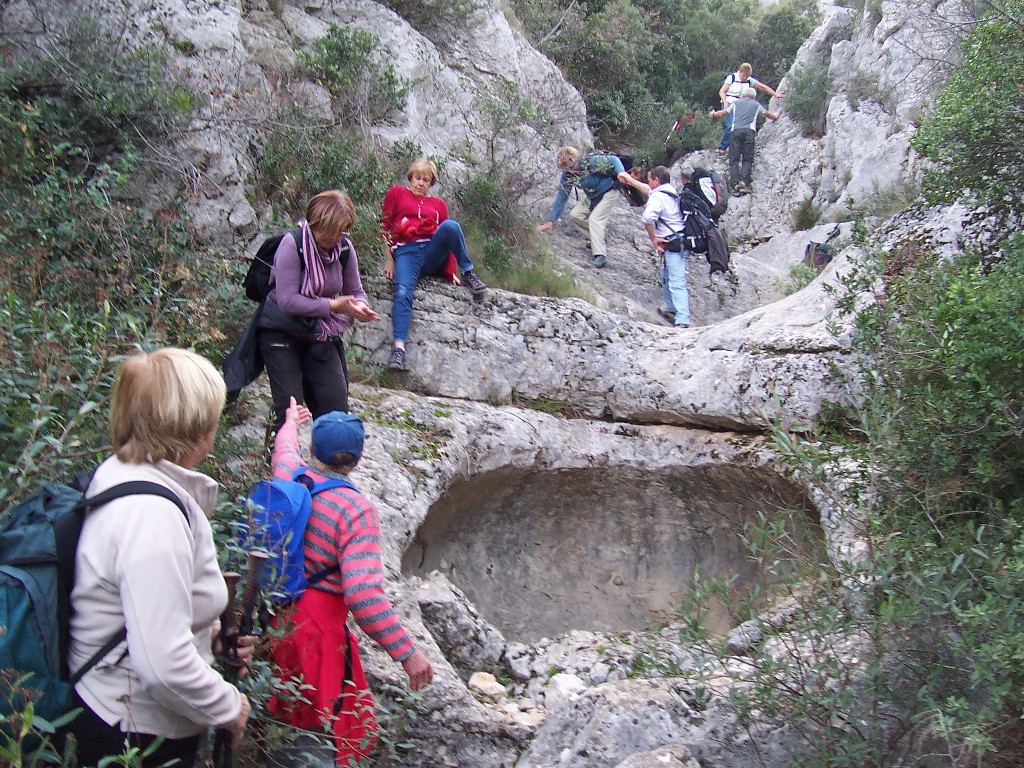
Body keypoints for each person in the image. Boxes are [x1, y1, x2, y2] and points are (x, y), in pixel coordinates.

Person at [64, 348, 252, 768]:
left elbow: (142, 611)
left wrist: (210, 632)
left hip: (115, 712)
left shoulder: (123, 475)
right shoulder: (153, 516)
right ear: (196, 425)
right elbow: (163, 665)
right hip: (134, 734)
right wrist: (229, 705)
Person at [267, 398, 434, 767]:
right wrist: (408, 653)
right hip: (319, 632)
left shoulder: (290, 475)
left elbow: (283, 448)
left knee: (282, 723)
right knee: (323, 733)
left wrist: (291, 422)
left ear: (312, 450)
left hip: (276, 618)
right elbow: (362, 596)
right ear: (357, 459)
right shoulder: (354, 509)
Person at [258, 189, 379, 435]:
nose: (336, 237)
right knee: (288, 409)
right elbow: (288, 301)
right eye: (332, 230)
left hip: (318, 333)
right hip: (281, 332)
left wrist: (360, 306)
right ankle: (276, 464)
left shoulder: (344, 248)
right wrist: (334, 306)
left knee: (335, 407)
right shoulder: (292, 244)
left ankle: (327, 467)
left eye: (342, 230)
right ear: (316, 224)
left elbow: (355, 290)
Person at [381, 158, 488, 371]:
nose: (421, 183)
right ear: (411, 177)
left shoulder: (439, 205)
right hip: (406, 253)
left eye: (426, 180)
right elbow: (384, 226)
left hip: (430, 253)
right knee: (402, 291)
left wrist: (451, 271)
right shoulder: (397, 194)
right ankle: (399, 350)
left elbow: (447, 241)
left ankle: (468, 272)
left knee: (451, 226)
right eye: (418, 178)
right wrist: (389, 259)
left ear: (431, 183)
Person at [617, 165, 692, 328]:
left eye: (650, 179)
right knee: (664, 274)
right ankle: (671, 309)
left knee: (676, 280)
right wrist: (630, 180)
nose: (648, 182)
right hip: (679, 240)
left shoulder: (658, 198)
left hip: (672, 242)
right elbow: (647, 190)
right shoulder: (669, 191)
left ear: (656, 180)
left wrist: (653, 239)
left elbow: (647, 218)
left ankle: (683, 320)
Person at [537, 146, 626, 268]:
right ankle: (597, 240)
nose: (571, 171)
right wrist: (551, 221)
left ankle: (600, 255)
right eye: (567, 168)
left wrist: (621, 172)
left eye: (572, 166)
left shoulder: (590, 162)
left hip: (609, 191)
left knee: (595, 220)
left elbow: (614, 160)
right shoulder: (568, 175)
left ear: (576, 159)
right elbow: (562, 196)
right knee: (575, 215)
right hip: (592, 195)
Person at [710, 87, 780, 195]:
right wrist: (775, 115)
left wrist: (714, 114)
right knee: (747, 158)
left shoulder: (736, 103)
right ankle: (743, 182)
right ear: (754, 96)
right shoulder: (756, 104)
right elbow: (768, 114)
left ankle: (735, 184)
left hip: (735, 132)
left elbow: (724, 113)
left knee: (734, 160)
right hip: (749, 132)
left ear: (743, 95)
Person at [717, 63, 782, 155]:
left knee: (741, 128)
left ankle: (737, 148)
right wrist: (725, 102)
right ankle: (722, 147)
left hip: (741, 105)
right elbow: (722, 91)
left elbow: (762, 87)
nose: (745, 77)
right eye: (744, 75)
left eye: (747, 76)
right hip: (729, 102)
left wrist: (775, 94)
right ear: (740, 72)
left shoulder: (748, 80)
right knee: (730, 125)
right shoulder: (731, 78)